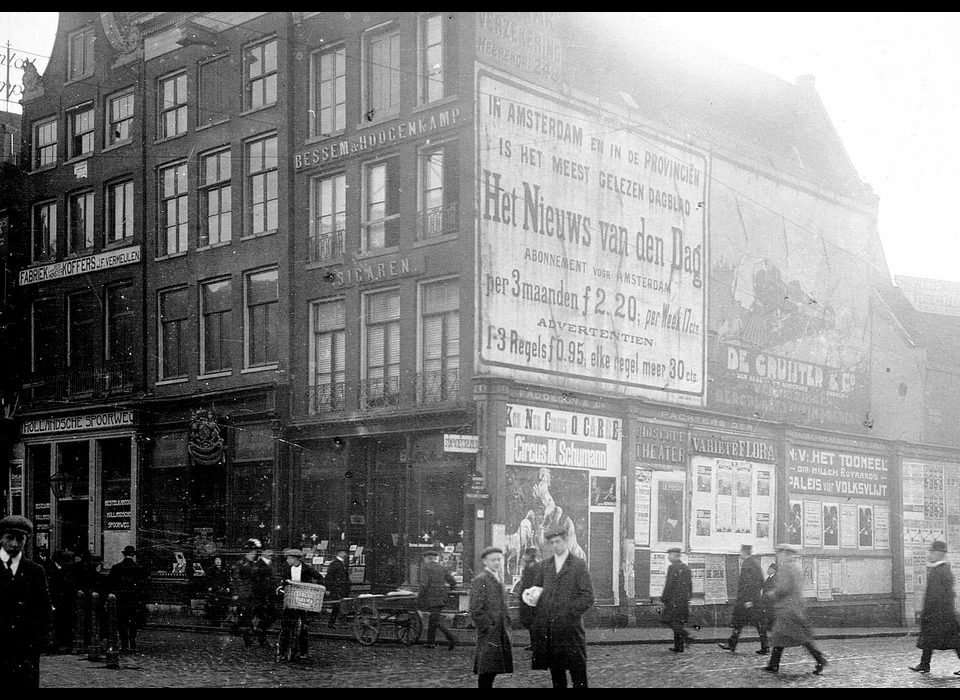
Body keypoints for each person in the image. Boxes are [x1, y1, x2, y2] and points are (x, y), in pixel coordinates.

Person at [530, 526, 595, 688]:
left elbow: (588, 596)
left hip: (571, 630)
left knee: (578, 673)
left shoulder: (578, 565)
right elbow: (536, 591)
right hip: (552, 631)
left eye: (558, 541)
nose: (555, 545)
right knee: (557, 675)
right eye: (551, 543)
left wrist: (569, 612)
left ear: (566, 541)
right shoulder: (545, 566)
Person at [0, 516, 53, 689]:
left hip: (25, 649)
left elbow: (44, 609)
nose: (14, 544)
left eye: (20, 539)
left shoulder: (35, 571)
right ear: (1, 538)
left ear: (26, 540)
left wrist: (39, 641)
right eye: (10, 538)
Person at [763, 545, 828, 675]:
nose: (778, 555)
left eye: (779, 553)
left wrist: (772, 594)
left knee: (797, 636)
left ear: (785, 554)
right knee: (780, 635)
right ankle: (773, 664)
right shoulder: (796, 567)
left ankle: (819, 659)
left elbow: (784, 588)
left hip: (787, 608)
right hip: (795, 606)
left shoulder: (786, 567)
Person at [910, 540, 960, 674]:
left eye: (932, 552)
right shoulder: (939, 569)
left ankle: (924, 664)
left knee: (954, 641)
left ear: (940, 554)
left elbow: (938, 595)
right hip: (938, 613)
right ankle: (924, 664)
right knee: (929, 639)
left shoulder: (941, 570)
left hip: (941, 614)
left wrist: (930, 612)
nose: (929, 555)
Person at [470, 546, 514, 688]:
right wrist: (488, 627)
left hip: (500, 629)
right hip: (490, 632)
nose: (496, 563)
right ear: (484, 561)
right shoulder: (481, 579)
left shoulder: (499, 577)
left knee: (493, 668)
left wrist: (507, 622)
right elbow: (476, 609)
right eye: (493, 560)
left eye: (499, 560)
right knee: (487, 670)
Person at [276, 549, 325, 662]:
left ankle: (303, 651)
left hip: (303, 601)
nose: (287, 560)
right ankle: (282, 653)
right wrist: (280, 586)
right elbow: (284, 580)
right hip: (290, 600)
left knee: (303, 628)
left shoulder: (307, 569)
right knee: (285, 627)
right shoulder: (286, 568)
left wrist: (318, 589)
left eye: (289, 558)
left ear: (295, 559)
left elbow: (320, 578)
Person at [719, 544, 768, 654]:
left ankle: (765, 646)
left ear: (745, 552)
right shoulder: (754, 563)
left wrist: (749, 600)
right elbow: (761, 582)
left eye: (741, 552)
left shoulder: (748, 564)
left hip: (747, 601)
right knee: (743, 623)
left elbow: (750, 584)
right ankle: (764, 646)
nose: (740, 554)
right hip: (751, 600)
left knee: (748, 623)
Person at [233, 538, 275, 648]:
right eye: (251, 552)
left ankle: (259, 636)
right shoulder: (241, 564)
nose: (253, 554)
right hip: (246, 595)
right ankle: (249, 638)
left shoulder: (256, 564)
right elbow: (237, 580)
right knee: (248, 618)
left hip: (257, 594)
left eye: (254, 552)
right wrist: (239, 593)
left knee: (264, 616)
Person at [108, 545, 147, 652]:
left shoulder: (116, 568)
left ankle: (124, 643)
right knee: (132, 621)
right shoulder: (139, 568)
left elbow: (111, 584)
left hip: (121, 599)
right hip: (134, 600)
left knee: (122, 621)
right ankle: (132, 641)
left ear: (124, 554)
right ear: (133, 555)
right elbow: (143, 586)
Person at [417, 548, 457, 650]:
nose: (424, 561)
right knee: (433, 619)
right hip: (442, 597)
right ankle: (431, 643)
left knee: (434, 620)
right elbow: (452, 581)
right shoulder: (441, 567)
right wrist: (451, 587)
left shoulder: (426, 567)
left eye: (424, 559)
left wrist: (419, 595)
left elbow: (424, 583)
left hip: (432, 597)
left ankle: (452, 637)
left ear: (427, 558)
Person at [660, 547, 693, 653]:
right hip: (683, 601)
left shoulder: (672, 567)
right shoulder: (686, 568)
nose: (668, 557)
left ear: (675, 556)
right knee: (678, 622)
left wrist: (664, 598)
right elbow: (690, 586)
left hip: (673, 600)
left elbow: (669, 585)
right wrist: (688, 598)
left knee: (670, 621)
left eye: (669, 555)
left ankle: (686, 636)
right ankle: (679, 647)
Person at [515, 548, 539, 651]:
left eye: (526, 555)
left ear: (530, 556)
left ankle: (536, 644)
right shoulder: (529, 566)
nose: (524, 557)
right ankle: (535, 643)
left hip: (530, 598)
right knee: (527, 620)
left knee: (529, 621)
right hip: (526, 598)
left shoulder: (535, 567)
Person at [324, 544, 351, 629]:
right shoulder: (335, 564)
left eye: (345, 552)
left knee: (342, 605)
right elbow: (329, 577)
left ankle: (341, 622)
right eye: (343, 552)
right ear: (339, 553)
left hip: (343, 588)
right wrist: (328, 589)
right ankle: (331, 623)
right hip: (336, 588)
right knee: (336, 606)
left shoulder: (343, 563)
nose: (345, 554)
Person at [205, 556, 232, 625]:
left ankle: (222, 619)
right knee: (214, 605)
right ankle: (213, 620)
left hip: (222, 590)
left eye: (219, 559)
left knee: (223, 604)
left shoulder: (225, 570)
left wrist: (227, 587)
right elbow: (208, 579)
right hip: (214, 590)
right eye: (216, 560)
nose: (218, 561)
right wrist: (210, 587)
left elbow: (227, 579)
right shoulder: (211, 570)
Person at [758, 562, 779, 650]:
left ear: (773, 570)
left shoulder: (774, 579)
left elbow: (770, 594)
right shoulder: (770, 578)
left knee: (764, 628)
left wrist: (764, 604)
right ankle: (767, 647)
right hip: (769, 608)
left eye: (769, 569)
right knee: (768, 628)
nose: (768, 570)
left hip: (770, 608)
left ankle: (766, 647)